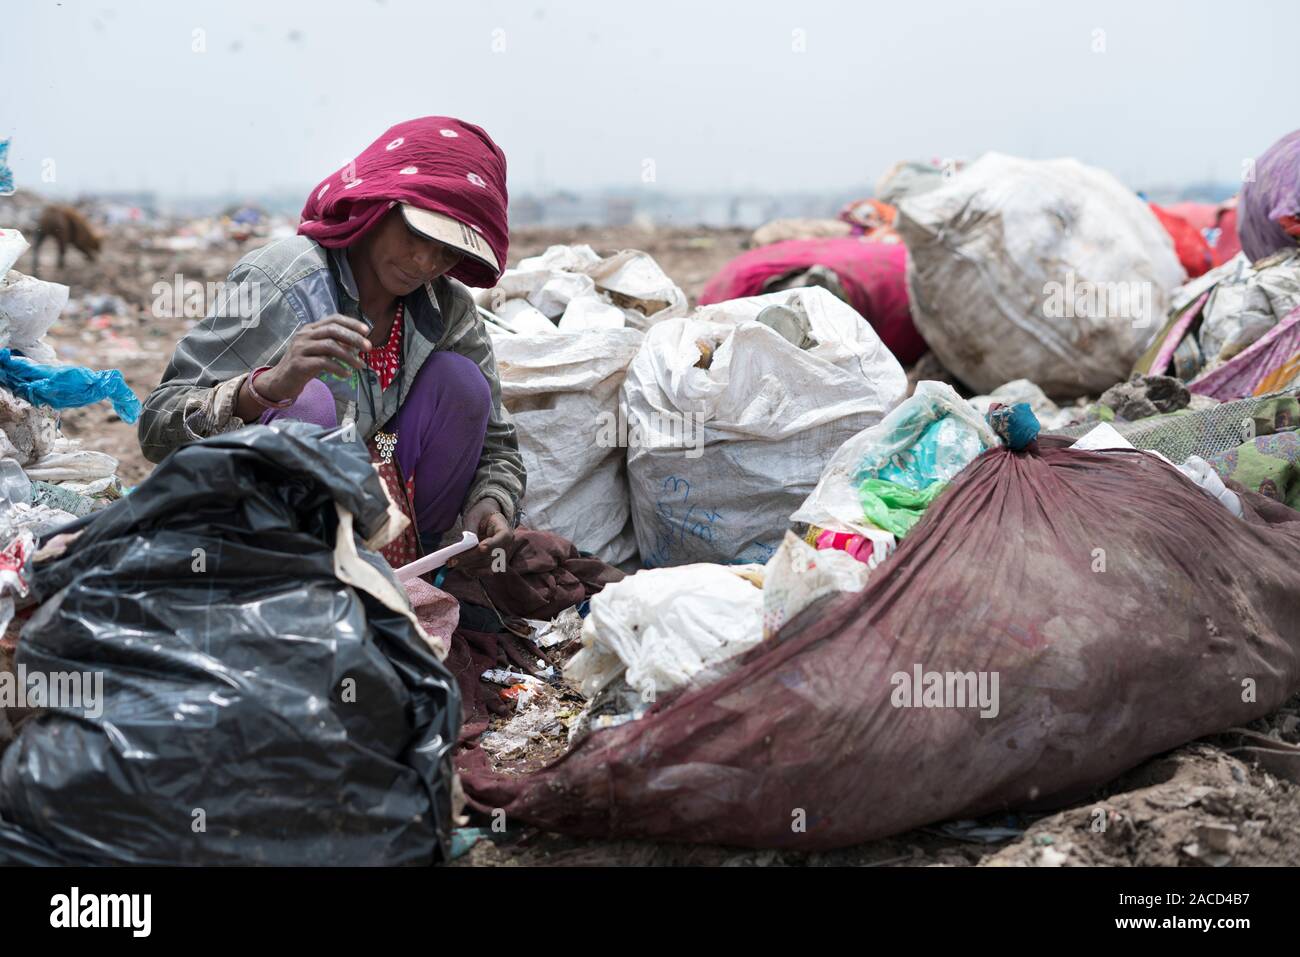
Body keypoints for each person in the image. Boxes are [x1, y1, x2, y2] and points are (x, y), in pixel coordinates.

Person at [138, 116, 524, 574]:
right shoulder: (284, 279)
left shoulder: (447, 307)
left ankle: (413, 578)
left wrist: (490, 500)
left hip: (387, 519)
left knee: (459, 383)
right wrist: (267, 388)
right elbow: (157, 426)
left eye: (446, 251)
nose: (425, 261)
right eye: (417, 235)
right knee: (308, 402)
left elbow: (497, 444)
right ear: (379, 207)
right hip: (268, 538)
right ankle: (294, 589)